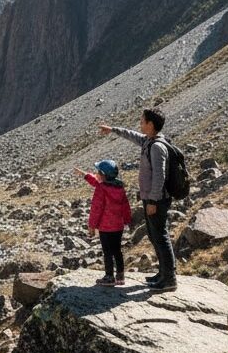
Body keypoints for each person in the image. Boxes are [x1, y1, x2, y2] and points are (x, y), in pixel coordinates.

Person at [99, 108, 177, 292]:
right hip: (151, 198)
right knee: (154, 235)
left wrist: (152, 201)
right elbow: (131, 135)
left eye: (142, 121)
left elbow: (160, 176)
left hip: (156, 199)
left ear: (150, 124)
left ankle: (170, 279)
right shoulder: (148, 141)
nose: (140, 124)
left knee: (161, 237)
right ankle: (162, 274)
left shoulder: (157, 147)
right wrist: (113, 129)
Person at [74, 160, 132, 286]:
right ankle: (120, 276)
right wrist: (127, 220)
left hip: (105, 227)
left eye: (98, 172)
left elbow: (96, 208)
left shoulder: (101, 188)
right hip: (118, 226)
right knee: (117, 250)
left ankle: (109, 277)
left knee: (107, 252)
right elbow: (125, 206)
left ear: (103, 175)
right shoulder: (119, 187)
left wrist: (92, 226)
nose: (96, 173)